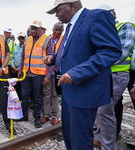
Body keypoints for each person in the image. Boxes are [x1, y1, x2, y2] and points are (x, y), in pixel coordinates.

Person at [45, 0, 122, 149]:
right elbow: (75, 53)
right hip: (69, 91)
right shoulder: (70, 27)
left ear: (71, 5)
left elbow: (110, 51)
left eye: (58, 10)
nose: (56, 15)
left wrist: (77, 73)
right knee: (70, 136)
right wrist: (54, 58)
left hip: (84, 91)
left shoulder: (96, 17)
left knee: (80, 140)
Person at [92, 5, 135, 150]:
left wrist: (97, 62)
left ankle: (108, 145)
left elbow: (121, 52)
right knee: (102, 109)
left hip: (117, 75)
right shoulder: (101, 33)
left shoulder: (125, 27)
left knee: (104, 110)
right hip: (103, 74)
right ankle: (99, 139)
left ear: (111, 15)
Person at [19, 20, 53, 128]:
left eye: (35, 29)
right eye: (31, 28)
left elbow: (51, 58)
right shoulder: (27, 40)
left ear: (40, 29)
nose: (32, 30)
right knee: (24, 96)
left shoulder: (47, 40)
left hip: (38, 74)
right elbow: (23, 57)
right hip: (26, 73)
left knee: (37, 98)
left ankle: (37, 118)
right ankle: (24, 116)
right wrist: (20, 70)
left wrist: (48, 75)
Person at [42, 22, 64, 125]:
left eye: (60, 30)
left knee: (55, 94)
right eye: (56, 29)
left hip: (58, 71)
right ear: (52, 29)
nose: (58, 32)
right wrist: (47, 73)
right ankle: (46, 115)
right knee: (47, 93)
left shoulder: (64, 40)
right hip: (47, 70)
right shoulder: (48, 40)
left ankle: (55, 116)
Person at [11, 32, 26, 100]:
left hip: (22, 70)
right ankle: (16, 100)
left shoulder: (26, 47)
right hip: (14, 70)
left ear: (24, 38)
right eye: (20, 38)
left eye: (22, 38)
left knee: (22, 86)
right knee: (15, 86)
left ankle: (21, 100)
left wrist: (19, 69)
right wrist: (13, 66)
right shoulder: (15, 47)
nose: (21, 40)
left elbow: (25, 60)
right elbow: (12, 57)